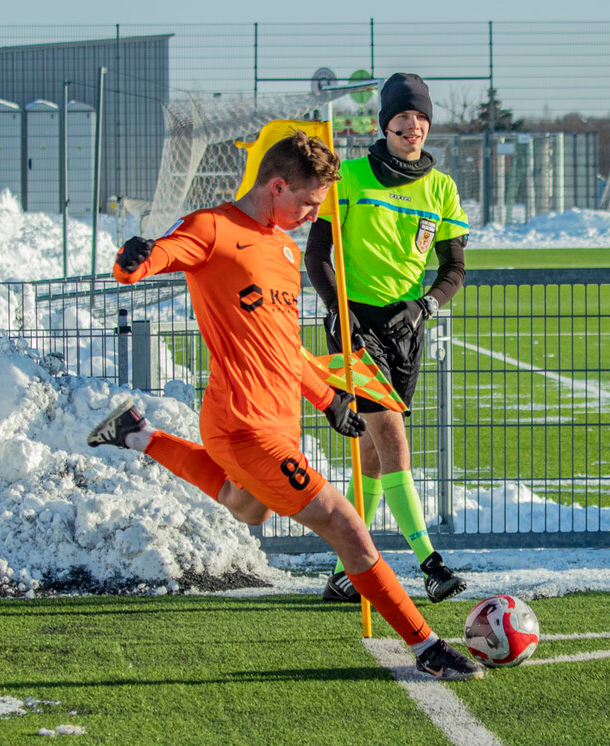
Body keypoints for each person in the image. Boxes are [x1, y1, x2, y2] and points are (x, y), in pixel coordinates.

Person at [87, 130, 483, 681]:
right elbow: (157, 256)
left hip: (280, 419)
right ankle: (427, 646)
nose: (310, 215)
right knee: (346, 525)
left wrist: (326, 398)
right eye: (308, 203)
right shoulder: (214, 227)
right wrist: (134, 259)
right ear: (277, 186)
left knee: (246, 506)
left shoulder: (281, 248)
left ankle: (138, 434)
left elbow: (283, 344)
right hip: (242, 425)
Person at [305, 73, 470, 604]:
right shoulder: (349, 177)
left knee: (374, 458)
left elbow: (454, 269)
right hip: (355, 327)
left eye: (421, 119)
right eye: (403, 118)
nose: (413, 127)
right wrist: (339, 310)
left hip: (406, 327)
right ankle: (430, 562)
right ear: (386, 123)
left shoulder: (441, 189)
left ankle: (341, 572)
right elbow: (316, 255)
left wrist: (425, 306)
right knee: (394, 440)